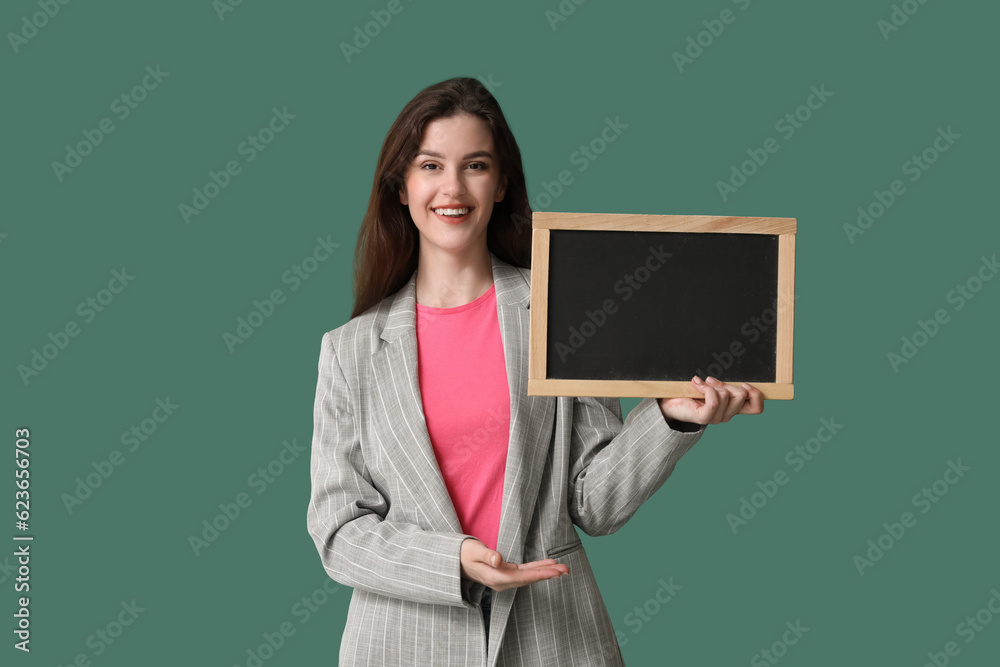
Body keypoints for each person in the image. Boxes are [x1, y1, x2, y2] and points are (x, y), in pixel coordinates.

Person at [306, 76, 764, 666]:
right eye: (430, 166)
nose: (453, 187)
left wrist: (670, 420)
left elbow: (593, 502)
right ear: (401, 187)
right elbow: (339, 531)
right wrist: (453, 562)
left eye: (475, 165)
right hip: (402, 644)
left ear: (500, 185)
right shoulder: (350, 350)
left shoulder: (563, 310)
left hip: (553, 639)